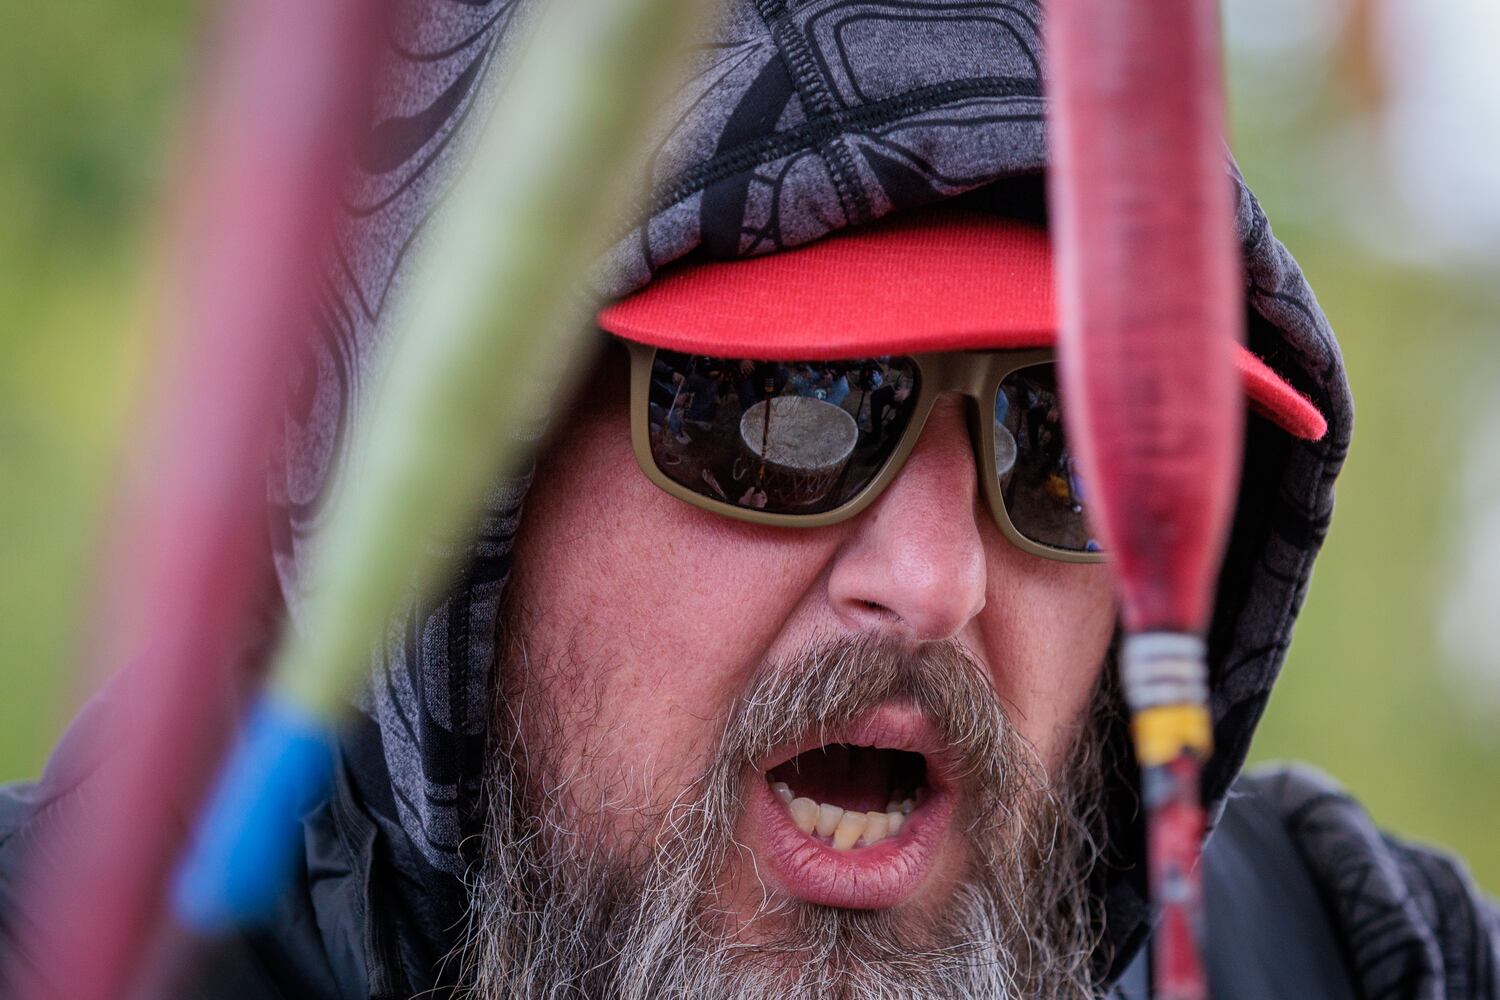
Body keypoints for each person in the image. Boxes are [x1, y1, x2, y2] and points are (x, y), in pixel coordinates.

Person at [2, 3, 1495, 999]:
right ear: (470, 498)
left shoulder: (1349, 954)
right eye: (783, 412)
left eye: (1076, 444)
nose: (937, 580)